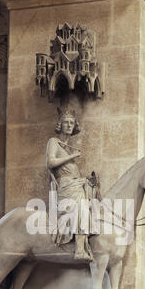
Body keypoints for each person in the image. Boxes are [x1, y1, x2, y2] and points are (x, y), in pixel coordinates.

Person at [46, 108, 97, 261]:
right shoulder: (54, 141)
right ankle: (79, 251)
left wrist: (85, 180)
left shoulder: (67, 146)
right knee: (81, 207)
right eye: (66, 123)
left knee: (91, 205)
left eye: (71, 123)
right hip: (65, 187)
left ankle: (85, 243)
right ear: (59, 125)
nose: (69, 125)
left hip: (74, 184)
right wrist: (72, 156)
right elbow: (50, 162)